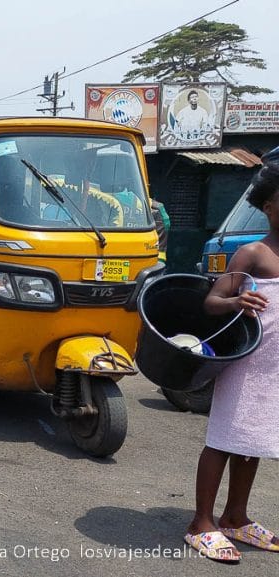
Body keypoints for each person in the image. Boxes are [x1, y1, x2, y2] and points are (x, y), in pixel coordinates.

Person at [183, 159, 279, 563]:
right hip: (245, 364)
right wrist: (237, 300)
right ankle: (201, 522)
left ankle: (235, 517)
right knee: (223, 440)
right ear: (270, 206)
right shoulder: (252, 253)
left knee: (252, 442)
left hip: (274, 369)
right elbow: (212, 301)